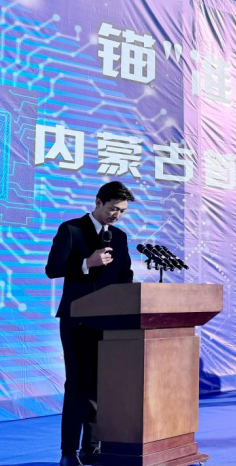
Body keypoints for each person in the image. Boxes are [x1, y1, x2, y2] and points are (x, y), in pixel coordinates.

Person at [45, 182, 135, 466]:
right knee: (77, 385)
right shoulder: (71, 229)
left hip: (110, 322)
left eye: (122, 211)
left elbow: (125, 276)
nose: (116, 215)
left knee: (101, 385)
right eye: (113, 208)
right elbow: (52, 269)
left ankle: (91, 447)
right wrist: (86, 263)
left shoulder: (119, 237)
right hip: (78, 321)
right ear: (98, 202)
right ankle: (68, 452)